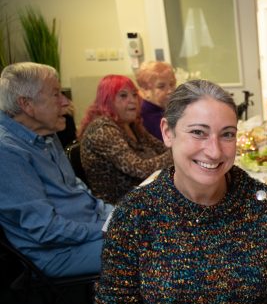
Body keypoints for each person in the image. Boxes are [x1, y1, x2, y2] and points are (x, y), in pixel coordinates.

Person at [96, 79, 267, 304]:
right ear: (167, 132)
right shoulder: (135, 213)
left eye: (227, 134)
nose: (214, 151)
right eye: (198, 132)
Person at [0, 62, 112, 277]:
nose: (66, 102)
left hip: (87, 230)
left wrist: (114, 215)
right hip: (58, 253)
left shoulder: (46, 132)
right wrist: (109, 227)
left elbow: (76, 190)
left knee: (170, 232)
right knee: (164, 249)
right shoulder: (7, 150)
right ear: (26, 104)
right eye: (56, 94)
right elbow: (47, 231)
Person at [79, 75, 172, 204]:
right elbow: (139, 169)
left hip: (146, 194)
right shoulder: (102, 128)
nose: (132, 100)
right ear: (107, 100)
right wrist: (178, 151)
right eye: (123, 96)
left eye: (134, 95)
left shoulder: (131, 125)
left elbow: (162, 148)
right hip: (121, 206)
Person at [135, 61, 176, 140]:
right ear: (145, 90)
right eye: (161, 86)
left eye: (171, 84)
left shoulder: (164, 109)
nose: (170, 90)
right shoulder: (148, 118)